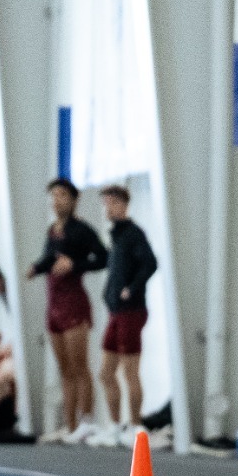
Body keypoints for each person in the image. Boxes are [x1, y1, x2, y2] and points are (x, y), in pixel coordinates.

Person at [29, 178, 107, 443]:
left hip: (74, 302)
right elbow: (48, 259)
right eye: (53, 196)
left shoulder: (82, 230)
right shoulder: (53, 230)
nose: (57, 201)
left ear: (73, 200)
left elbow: (103, 258)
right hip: (54, 304)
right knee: (64, 369)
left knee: (79, 365)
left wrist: (75, 264)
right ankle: (71, 424)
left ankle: (86, 420)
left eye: (62, 195)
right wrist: (35, 268)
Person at [94, 184, 157, 448]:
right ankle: (116, 425)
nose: (107, 209)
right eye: (105, 204)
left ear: (122, 204)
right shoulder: (116, 236)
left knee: (130, 371)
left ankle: (135, 426)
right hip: (115, 312)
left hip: (131, 311)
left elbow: (150, 263)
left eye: (111, 203)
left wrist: (131, 289)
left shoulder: (133, 233)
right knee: (106, 372)